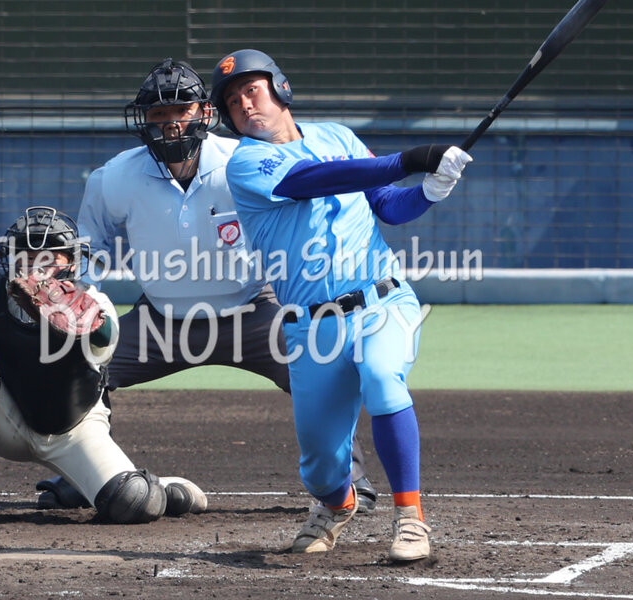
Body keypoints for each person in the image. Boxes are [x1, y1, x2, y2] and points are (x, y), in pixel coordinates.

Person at [33, 58, 381, 514]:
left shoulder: (245, 162)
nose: (171, 123)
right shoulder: (114, 177)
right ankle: (88, 476)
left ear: (205, 113)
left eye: (182, 111)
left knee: (317, 365)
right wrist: (84, 304)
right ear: (143, 120)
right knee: (77, 366)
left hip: (252, 311)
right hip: (160, 320)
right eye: (159, 114)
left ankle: (348, 479)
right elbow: (90, 248)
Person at [210, 49, 473, 560]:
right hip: (312, 328)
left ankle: (410, 519)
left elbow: (387, 205)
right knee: (321, 467)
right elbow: (310, 180)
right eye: (233, 101)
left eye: (251, 90)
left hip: (382, 300)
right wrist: (408, 160)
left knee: (382, 377)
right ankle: (337, 504)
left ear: (280, 88)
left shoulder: (338, 136)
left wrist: (430, 190)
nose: (244, 104)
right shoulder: (245, 162)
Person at [0, 206, 207, 525]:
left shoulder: (94, 305)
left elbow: (105, 336)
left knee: (132, 501)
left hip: (75, 430)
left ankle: (157, 488)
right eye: (27, 256)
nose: (37, 267)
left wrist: (74, 314)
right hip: (10, 423)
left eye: (49, 258)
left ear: (71, 262)